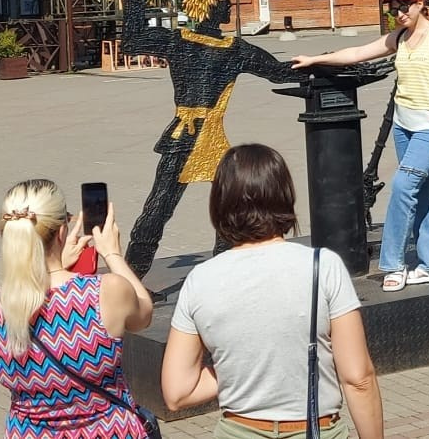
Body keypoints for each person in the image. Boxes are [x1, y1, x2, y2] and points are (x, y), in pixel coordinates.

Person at [161, 144, 384, 439]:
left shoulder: (200, 279)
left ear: (220, 203)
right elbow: (358, 379)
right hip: (316, 429)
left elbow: (177, 392)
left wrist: (239, 371)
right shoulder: (323, 266)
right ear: (285, 196)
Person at [121, 0, 296, 278]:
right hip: (187, 137)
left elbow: (280, 72)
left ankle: (223, 269)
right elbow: (132, 41)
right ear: (211, 5)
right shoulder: (193, 42)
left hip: (204, 137)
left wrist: (329, 63)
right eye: (225, 1)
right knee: (161, 207)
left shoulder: (224, 46)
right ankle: (133, 278)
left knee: (225, 203)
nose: (230, 6)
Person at [292, 0, 429, 292]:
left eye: (405, 6)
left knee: (402, 187)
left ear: (420, 4)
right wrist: (315, 59)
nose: (400, 13)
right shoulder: (400, 37)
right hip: (404, 127)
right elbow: (358, 53)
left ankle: (393, 264)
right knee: (422, 194)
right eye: (394, 9)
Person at [0, 179, 154, 438]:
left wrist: (59, 266)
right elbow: (144, 314)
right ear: (61, 232)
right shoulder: (106, 291)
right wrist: (112, 254)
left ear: (7, 233)